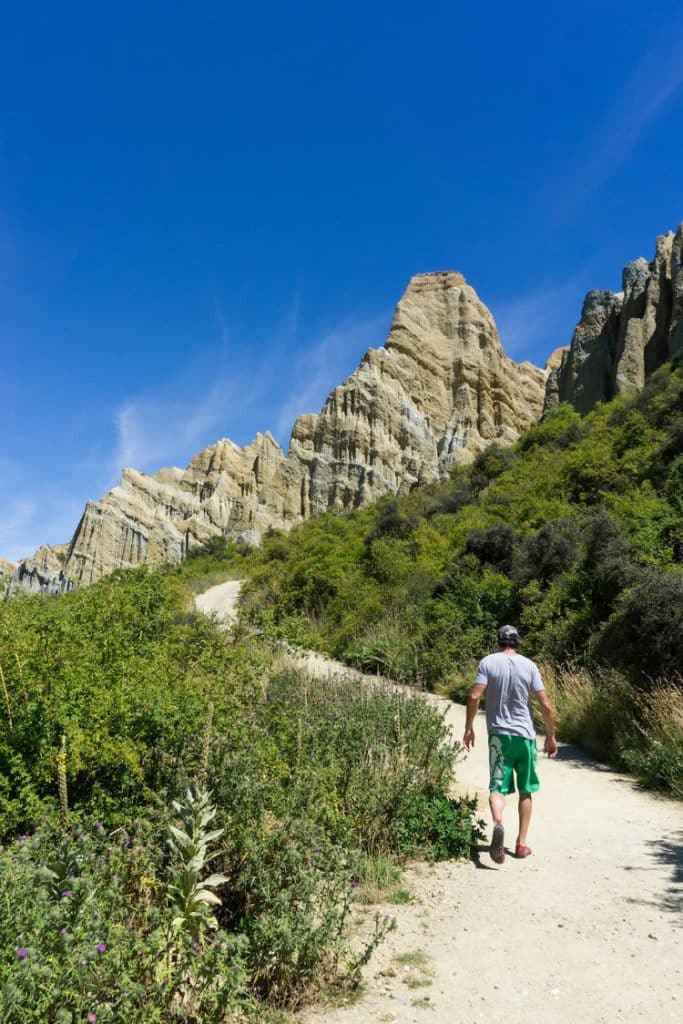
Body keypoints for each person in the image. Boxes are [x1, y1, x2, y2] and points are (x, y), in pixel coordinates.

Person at [463, 624, 557, 864]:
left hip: (499, 736)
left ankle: (498, 824)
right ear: (517, 642)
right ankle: (521, 843)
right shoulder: (530, 666)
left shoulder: (488, 662)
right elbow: (545, 705)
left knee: (497, 787)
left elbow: (474, 696)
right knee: (526, 790)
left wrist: (469, 727)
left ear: (498, 641)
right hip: (525, 736)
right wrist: (551, 736)